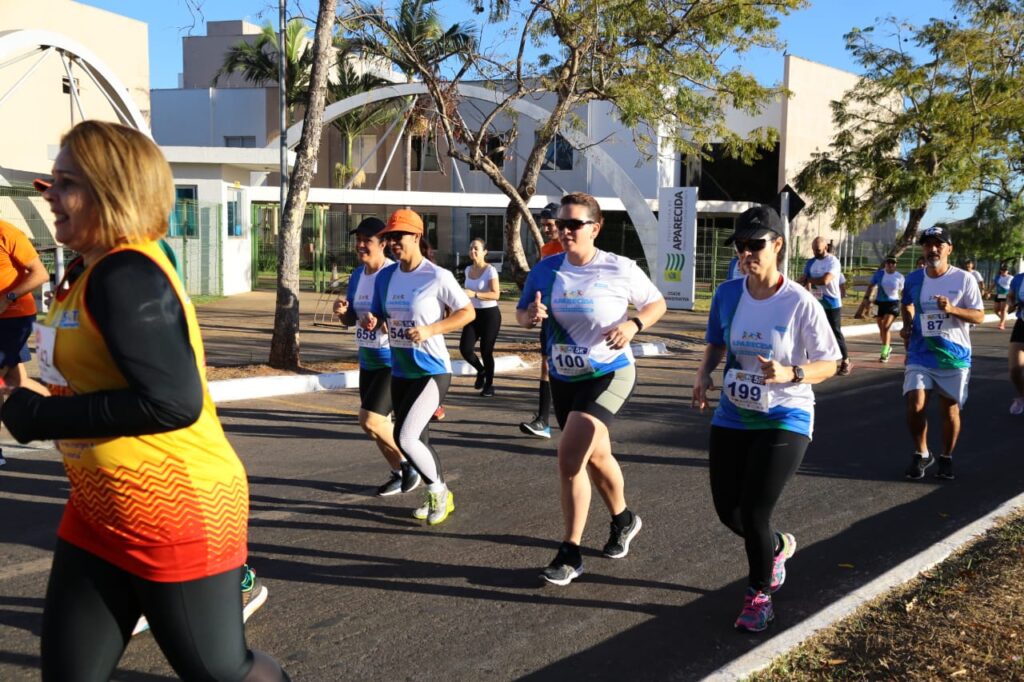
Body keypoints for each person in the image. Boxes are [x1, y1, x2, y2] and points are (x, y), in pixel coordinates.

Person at [2, 121, 287, 681]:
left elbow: (172, 403)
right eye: (49, 181)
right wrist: (28, 395)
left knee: (222, 673)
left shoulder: (126, 272)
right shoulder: (87, 269)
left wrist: (40, 416)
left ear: (110, 189)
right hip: (97, 509)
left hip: (174, 511)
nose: (48, 195)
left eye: (64, 182)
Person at [692, 205, 841, 633]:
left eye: (755, 245)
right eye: (740, 246)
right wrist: (703, 374)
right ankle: (777, 547)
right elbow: (717, 342)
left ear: (777, 245)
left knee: (755, 510)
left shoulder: (799, 302)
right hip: (734, 415)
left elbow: (830, 363)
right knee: (728, 510)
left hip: (786, 414)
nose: (746, 253)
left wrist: (791, 372)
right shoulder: (727, 294)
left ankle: (759, 596)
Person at [517, 192, 666, 586]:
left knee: (570, 460)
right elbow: (520, 314)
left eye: (573, 225)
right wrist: (530, 316)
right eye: (560, 224)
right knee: (597, 458)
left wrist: (633, 325)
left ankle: (570, 552)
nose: (564, 230)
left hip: (609, 372)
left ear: (595, 228)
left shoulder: (619, 268)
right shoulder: (546, 269)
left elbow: (656, 304)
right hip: (566, 379)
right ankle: (624, 519)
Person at [362, 209, 474, 525]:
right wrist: (374, 321)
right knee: (417, 441)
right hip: (400, 371)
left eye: (399, 236)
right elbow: (382, 319)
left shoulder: (437, 276)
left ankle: (441, 493)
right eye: (389, 237)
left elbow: (467, 313)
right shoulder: (386, 276)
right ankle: (432, 491)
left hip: (432, 370)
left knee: (405, 436)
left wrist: (430, 330)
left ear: (416, 236)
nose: (393, 242)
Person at [333, 217, 421, 497]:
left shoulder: (393, 273)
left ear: (383, 244)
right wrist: (342, 311)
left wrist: (379, 321)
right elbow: (350, 320)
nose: (360, 245)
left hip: (391, 360)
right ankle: (399, 471)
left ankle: (412, 464)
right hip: (367, 359)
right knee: (375, 427)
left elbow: (400, 318)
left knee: (370, 420)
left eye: (367, 241)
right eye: (357, 240)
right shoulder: (358, 275)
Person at [900, 226, 984, 481]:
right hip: (921, 352)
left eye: (938, 244)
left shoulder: (963, 279)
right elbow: (907, 305)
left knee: (949, 410)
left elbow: (979, 315)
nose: (932, 249)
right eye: (927, 245)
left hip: (953, 355)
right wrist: (907, 326)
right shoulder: (914, 278)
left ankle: (946, 456)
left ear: (950, 249)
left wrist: (952, 309)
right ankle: (922, 452)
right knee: (915, 404)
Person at [0, 216, 50, 467]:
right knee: (16, 381)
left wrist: (8, 297)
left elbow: (40, 274)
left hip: (14, 318)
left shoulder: (7, 232)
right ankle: (63, 414)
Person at [520, 202, 563, 438]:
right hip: (549, 316)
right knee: (546, 366)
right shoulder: (546, 250)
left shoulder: (573, 248)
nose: (546, 229)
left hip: (571, 318)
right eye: (543, 225)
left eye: (549, 225)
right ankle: (543, 421)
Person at [800, 236, 851, 376]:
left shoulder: (832, 261)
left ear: (825, 248)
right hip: (816, 302)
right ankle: (814, 360)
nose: (815, 253)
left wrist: (809, 280)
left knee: (835, 331)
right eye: (813, 250)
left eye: (818, 250)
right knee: (813, 330)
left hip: (832, 302)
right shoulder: (811, 262)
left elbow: (826, 280)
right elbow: (803, 279)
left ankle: (845, 360)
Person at [459, 238, 501, 397]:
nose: (473, 251)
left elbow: (496, 294)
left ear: (485, 252)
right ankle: (481, 370)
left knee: (486, 351)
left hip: (490, 315)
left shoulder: (490, 270)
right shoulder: (467, 270)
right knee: (465, 349)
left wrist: (475, 294)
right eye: (471, 248)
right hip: (472, 314)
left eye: (476, 248)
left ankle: (489, 385)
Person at [867, 257, 904, 362]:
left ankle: (884, 352)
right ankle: (887, 346)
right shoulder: (879, 274)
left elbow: (903, 291)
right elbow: (871, 286)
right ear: (885, 264)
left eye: (893, 263)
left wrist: (905, 304)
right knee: (881, 327)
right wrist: (867, 299)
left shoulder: (899, 277)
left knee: (886, 326)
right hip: (879, 303)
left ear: (896, 265)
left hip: (893, 303)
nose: (891, 265)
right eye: (889, 263)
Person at [1005, 267, 1024, 415]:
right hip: (1022, 324)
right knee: (1014, 370)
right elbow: (1010, 296)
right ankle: (1022, 397)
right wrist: (1011, 302)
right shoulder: (1018, 279)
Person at [993, 263, 1012, 331]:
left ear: (1007, 271)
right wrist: (988, 292)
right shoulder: (997, 277)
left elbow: (1013, 287)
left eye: (1005, 270)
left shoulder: (1010, 277)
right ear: (1000, 270)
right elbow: (994, 284)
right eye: (1002, 270)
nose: (1003, 271)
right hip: (998, 294)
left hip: (1006, 294)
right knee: (995, 310)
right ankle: (1003, 319)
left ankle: (1002, 324)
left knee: (1003, 310)